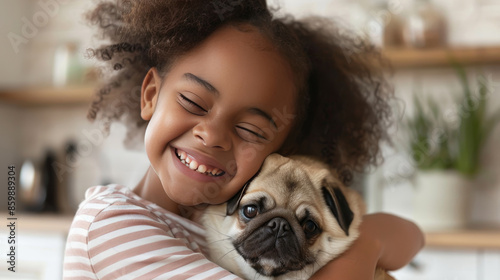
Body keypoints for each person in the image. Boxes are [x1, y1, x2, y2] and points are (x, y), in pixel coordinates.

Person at [63, 0, 424, 279]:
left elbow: (413, 237)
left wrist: (367, 239)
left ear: (280, 153)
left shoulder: (231, 222)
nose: (212, 135)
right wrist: (363, 250)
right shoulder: (111, 226)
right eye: (193, 102)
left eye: (250, 130)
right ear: (150, 95)